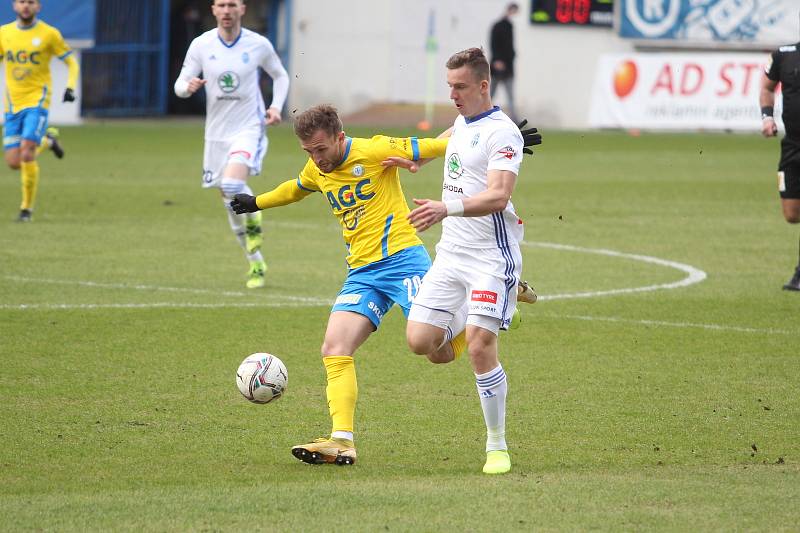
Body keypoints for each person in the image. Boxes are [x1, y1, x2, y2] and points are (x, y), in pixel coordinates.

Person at [230, 105, 541, 467]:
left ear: (339, 137)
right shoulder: (317, 168)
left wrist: (503, 140)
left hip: (402, 261)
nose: (317, 159)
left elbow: (431, 146)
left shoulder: (374, 150)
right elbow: (295, 189)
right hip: (362, 273)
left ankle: (499, 296)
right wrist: (256, 202)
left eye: (322, 149)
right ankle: (341, 441)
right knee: (334, 347)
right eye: (309, 152)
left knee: (436, 352)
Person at [405, 48, 526, 475]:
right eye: (449, 87)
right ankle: (477, 313)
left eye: (460, 87)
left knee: (480, 347)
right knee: (423, 344)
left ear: (482, 85)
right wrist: (420, 155)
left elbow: (499, 196)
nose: (453, 95)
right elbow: (452, 136)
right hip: (452, 255)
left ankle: (497, 445)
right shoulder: (462, 121)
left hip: (491, 256)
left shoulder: (504, 133)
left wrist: (446, 207)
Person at [174, 0, 289, 289]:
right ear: (213, 10)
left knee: (233, 185)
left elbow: (280, 74)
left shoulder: (258, 44)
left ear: (242, 9)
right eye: (221, 5)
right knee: (228, 198)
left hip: (249, 127)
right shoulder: (201, 45)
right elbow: (180, 83)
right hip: (215, 134)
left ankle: (254, 215)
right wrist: (186, 88)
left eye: (232, 5)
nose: (226, 10)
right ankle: (256, 262)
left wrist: (275, 107)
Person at [1, 0, 78, 222]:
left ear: (39, 7)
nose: (26, 6)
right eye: (22, 1)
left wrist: (70, 87)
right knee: (14, 162)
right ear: (15, 6)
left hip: (38, 100)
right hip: (12, 105)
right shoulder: (4, 33)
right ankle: (48, 141)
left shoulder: (49, 34)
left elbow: (72, 62)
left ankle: (26, 209)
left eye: (31, 2)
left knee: (26, 153)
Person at [761, 37, 800, 291]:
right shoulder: (783, 54)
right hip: (793, 146)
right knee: (792, 214)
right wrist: (767, 118)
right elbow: (766, 87)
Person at [489, 3, 519, 122]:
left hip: (508, 68)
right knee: (490, 94)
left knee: (510, 96)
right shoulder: (498, 26)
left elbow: (509, 47)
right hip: (498, 67)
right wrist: (497, 60)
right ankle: (484, 115)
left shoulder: (510, 26)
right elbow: (494, 44)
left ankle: (515, 120)